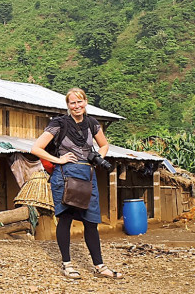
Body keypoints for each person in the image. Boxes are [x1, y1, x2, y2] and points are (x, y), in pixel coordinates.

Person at [31, 88, 123, 280]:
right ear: (68, 105)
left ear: (85, 102)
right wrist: (59, 160)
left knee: (91, 222)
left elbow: (104, 145)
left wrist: (98, 158)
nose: (76, 106)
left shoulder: (92, 123)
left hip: (87, 176)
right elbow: (35, 148)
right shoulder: (59, 123)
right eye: (72, 103)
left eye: (79, 102)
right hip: (65, 176)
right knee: (66, 219)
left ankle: (99, 266)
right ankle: (67, 265)